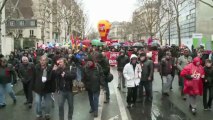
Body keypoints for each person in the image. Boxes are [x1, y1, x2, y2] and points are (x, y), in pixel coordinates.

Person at [32, 55, 56, 120]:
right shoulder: (36, 67)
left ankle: (47, 114)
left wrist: (54, 71)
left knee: (47, 103)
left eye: (44, 60)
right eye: (41, 60)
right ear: (39, 61)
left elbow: (53, 79)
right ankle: (39, 114)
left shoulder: (50, 68)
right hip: (38, 88)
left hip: (47, 88)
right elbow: (33, 77)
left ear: (47, 61)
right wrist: (33, 86)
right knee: (37, 102)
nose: (42, 61)